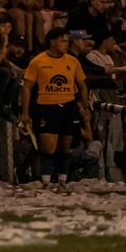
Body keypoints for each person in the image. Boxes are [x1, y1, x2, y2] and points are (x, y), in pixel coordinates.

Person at [21, 26, 90, 188]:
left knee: (65, 146)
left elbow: (82, 84)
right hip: (47, 108)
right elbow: (27, 87)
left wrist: (86, 107)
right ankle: (46, 182)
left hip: (69, 107)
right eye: (63, 41)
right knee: (48, 146)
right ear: (52, 42)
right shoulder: (38, 61)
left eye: (68, 41)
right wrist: (25, 112)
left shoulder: (73, 61)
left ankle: (62, 182)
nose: (67, 44)